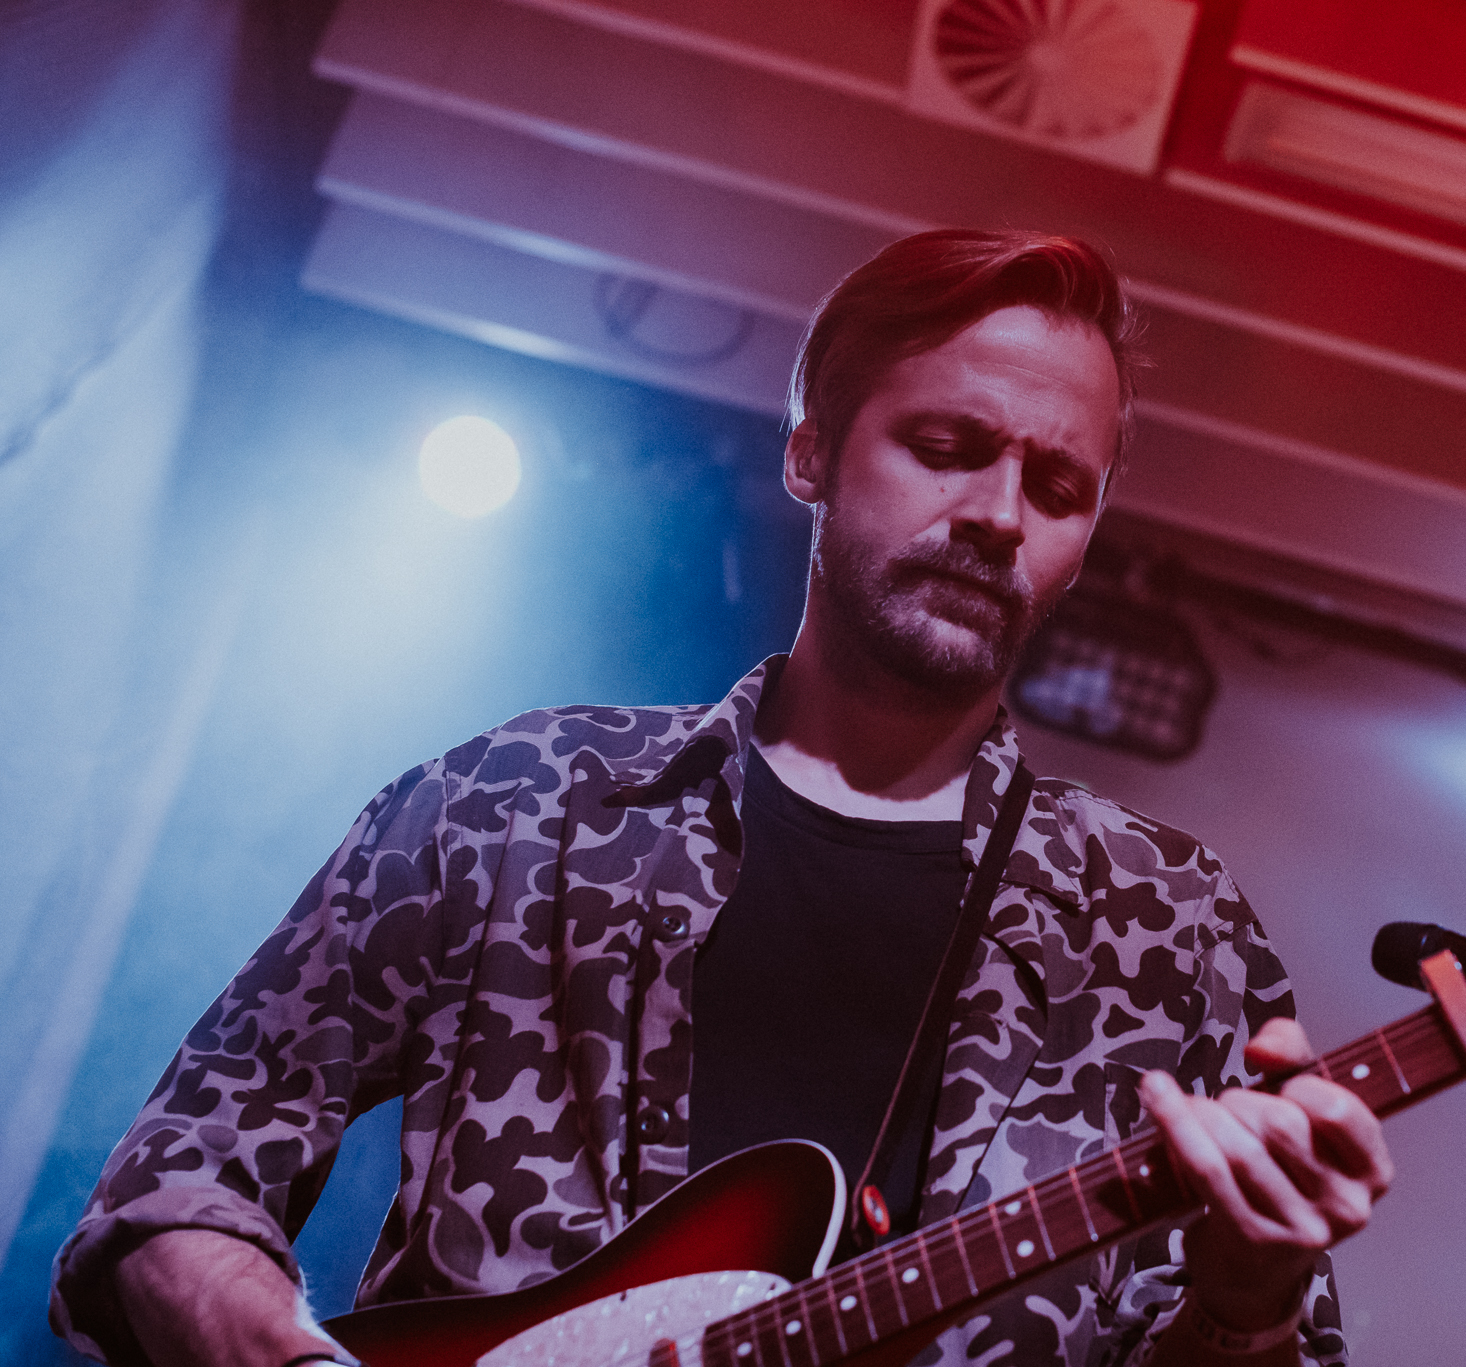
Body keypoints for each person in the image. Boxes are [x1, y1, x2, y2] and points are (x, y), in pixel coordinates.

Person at [51, 229, 1392, 1367]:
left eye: (1056, 486)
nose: (999, 513)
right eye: (947, 445)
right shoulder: (523, 805)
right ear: (811, 455)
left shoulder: (1167, 931)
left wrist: (1248, 1301)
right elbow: (176, 1178)